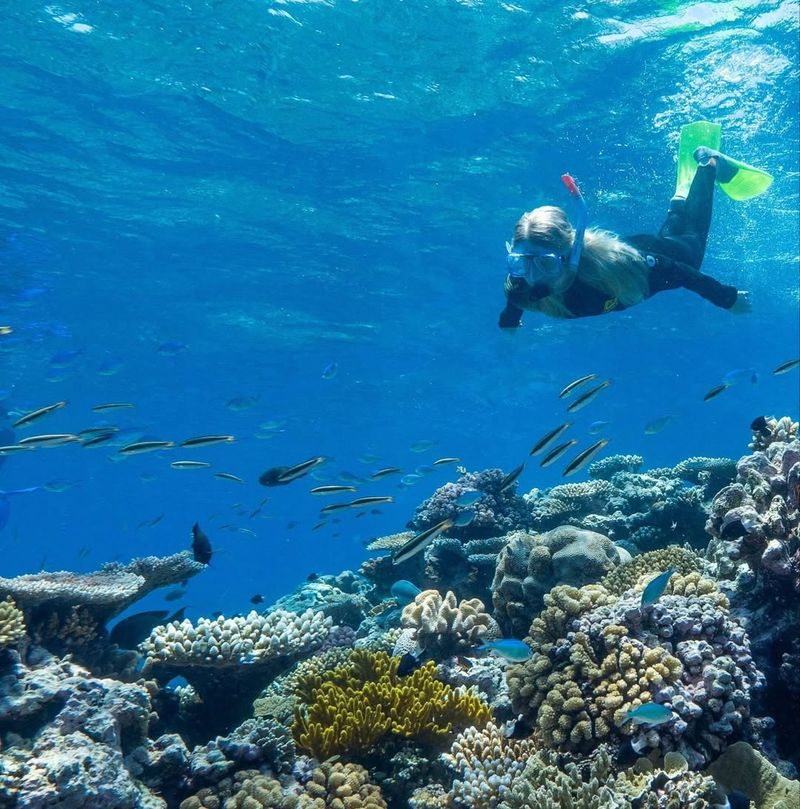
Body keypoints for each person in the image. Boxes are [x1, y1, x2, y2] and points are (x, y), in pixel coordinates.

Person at [498, 121, 773, 329]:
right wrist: (509, 320)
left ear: (570, 254)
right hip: (645, 256)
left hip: (651, 258)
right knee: (674, 234)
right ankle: (680, 198)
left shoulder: (620, 265)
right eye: (522, 263)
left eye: (544, 264)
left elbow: (678, 271)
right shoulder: (521, 284)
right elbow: (516, 296)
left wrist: (726, 298)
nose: (531, 277)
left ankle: (710, 163)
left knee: (691, 250)